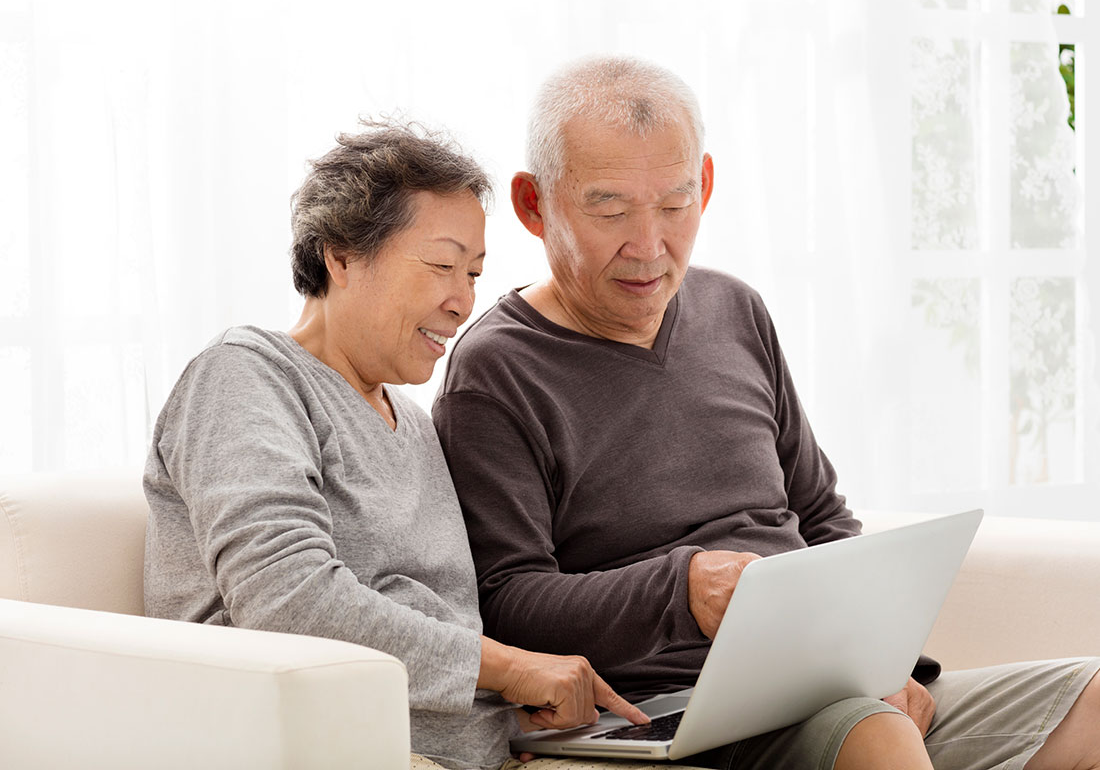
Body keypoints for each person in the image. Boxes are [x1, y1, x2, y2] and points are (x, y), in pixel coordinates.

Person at [432, 57, 1100, 770]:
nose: (649, 245)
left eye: (674, 204)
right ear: (535, 205)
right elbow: (508, 602)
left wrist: (881, 659)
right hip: (683, 714)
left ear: (706, 185)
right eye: (610, 209)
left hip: (828, 689)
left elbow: (823, 516)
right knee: (874, 735)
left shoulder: (734, 310)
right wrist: (682, 589)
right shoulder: (496, 372)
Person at [142, 119, 654, 770]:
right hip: (337, 751)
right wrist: (507, 668)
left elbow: (442, 626)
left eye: (473, 273)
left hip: (488, 751)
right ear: (342, 256)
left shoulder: (414, 423)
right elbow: (288, 599)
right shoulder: (246, 375)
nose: (462, 301)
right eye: (441, 265)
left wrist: (505, 702)